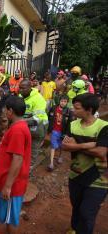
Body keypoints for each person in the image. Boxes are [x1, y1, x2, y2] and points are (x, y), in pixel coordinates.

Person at [62, 93, 107, 234]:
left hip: (99, 177)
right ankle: (74, 229)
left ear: (89, 110)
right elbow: (64, 146)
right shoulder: (73, 125)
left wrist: (77, 145)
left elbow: (101, 152)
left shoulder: (104, 127)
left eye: (77, 108)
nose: (73, 110)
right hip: (76, 174)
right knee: (76, 206)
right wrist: (88, 145)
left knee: (87, 212)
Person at [0, 96, 31, 234]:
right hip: (11, 181)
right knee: (7, 214)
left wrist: (8, 186)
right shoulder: (17, 126)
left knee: (10, 217)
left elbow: (17, 159)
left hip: (12, 184)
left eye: (5, 109)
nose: (4, 111)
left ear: (10, 111)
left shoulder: (18, 130)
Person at [19, 79, 48, 167]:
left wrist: (22, 121)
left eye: (23, 88)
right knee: (24, 146)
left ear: (29, 88)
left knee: (33, 149)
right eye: (19, 88)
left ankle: (29, 168)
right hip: (26, 125)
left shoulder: (38, 99)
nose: (20, 90)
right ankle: (21, 165)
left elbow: (38, 118)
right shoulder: (21, 95)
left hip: (39, 127)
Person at [47, 95, 72, 171]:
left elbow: (69, 124)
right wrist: (49, 129)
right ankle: (51, 163)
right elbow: (49, 117)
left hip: (63, 131)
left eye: (65, 101)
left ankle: (60, 156)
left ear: (67, 103)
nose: (63, 103)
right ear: (59, 101)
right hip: (54, 130)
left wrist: (67, 134)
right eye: (62, 101)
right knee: (53, 145)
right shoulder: (54, 108)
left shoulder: (69, 112)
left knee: (61, 145)